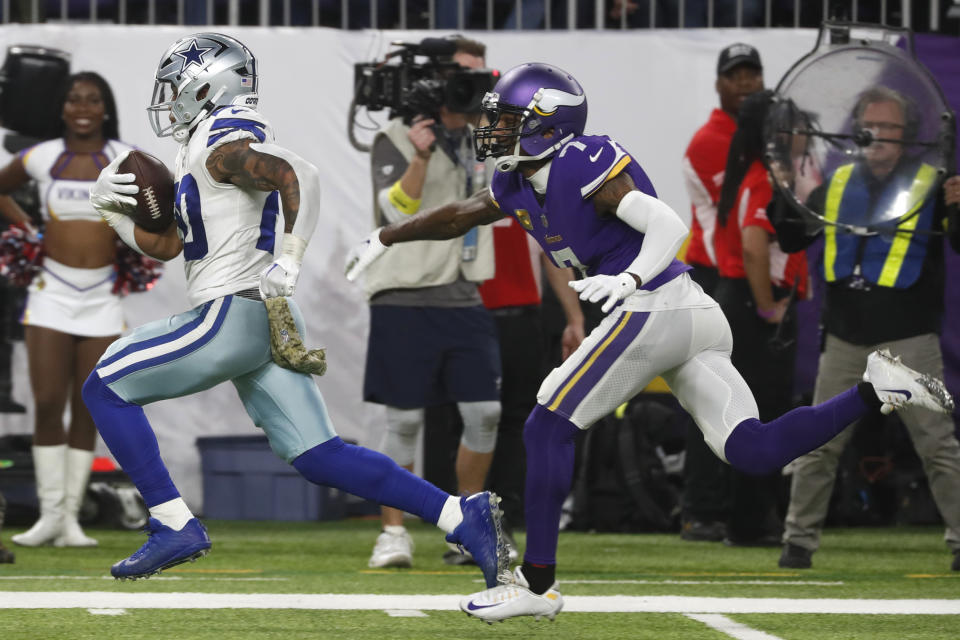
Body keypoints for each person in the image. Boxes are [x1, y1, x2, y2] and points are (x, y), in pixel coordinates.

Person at [344, 62, 955, 622]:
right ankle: (875, 390)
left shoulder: (583, 161)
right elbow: (460, 214)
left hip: (654, 301)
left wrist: (630, 276)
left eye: (509, 120)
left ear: (549, 123)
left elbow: (667, 223)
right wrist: (388, 236)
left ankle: (536, 584)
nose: (494, 130)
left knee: (547, 424)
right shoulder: (515, 181)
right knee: (754, 450)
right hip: (689, 313)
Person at [82, 32, 505, 585]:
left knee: (105, 386)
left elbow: (298, 175)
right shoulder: (206, 144)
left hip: (229, 316)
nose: (169, 99)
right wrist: (111, 212)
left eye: (176, 86)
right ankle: (459, 513)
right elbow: (170, 245)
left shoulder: (223, 138)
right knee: (318, 455)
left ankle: (172, 521)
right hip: (258, 316)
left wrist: (292, 256)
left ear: (205, 84)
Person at [771, 86, 960, 572]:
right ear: (857, 129)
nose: (878, 136)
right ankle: (797, 543)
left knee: (937, 445)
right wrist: (783, 188)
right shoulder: (834, 185)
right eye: (870, 125)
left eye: (890, 127)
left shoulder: (934, 183)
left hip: (910, 336)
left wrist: (958, 206)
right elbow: (791, 237)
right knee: (817, 445)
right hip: (845, 337)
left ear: (907, 136)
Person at [362, 36, 504, 570]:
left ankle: (466, 525)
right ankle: (393, 533)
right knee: (404, 423)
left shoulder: (483, 136)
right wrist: (420, 155)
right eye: (467, 74)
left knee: (485, 412)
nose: (478, 84)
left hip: (464, 293)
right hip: (404, 294)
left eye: (482, 74)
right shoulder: (394, 135)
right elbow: (394, 213)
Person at [0, 72, 137, 549]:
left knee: (88, 405)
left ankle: (72, 520)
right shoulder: (43, 157)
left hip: (101, 296)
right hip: (50, 293)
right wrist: (27, 229)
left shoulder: (124, 158)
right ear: (62, 109)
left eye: (93, 99)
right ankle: (49, 517)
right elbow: (1, 187)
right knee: (47, 402)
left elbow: (157, 210)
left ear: (105, 108)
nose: (83, 107)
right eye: (74, 99)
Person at [709, 89, 811, 547]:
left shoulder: (754, 175)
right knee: (760, 416)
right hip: (754, 310)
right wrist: (769, 306)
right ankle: (752, 522)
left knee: (749, 414)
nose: (803, 134)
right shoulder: (764, 180)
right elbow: (754, 245)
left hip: (742, 305)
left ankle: (750, 518)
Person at [679, 42, 764, 542]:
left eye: (753, 73)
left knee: (747, 398)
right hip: (719, 278)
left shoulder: (763, 137)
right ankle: (701, 508)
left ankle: (740, 510)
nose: (747, 82)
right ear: (719, 84)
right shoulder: (710, 140)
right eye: (736, 74)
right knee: (707, 394)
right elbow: (729, 223)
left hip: (745, 275)